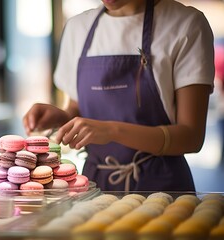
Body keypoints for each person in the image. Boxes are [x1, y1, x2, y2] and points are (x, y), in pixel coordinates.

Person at [23, 0, 215, 192]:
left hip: (163, 188)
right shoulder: (77, 28)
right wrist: (62, 118)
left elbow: (191, 137)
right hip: (94, 186)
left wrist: (112, 131)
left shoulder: (186, 24)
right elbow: (78, 108)